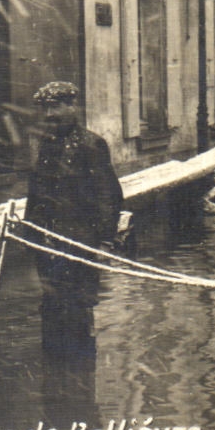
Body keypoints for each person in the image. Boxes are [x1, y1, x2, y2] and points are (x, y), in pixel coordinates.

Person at [25, 81, 127, 359]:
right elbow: (36, 193)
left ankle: (80, 373)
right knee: (51, 307)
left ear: (73, 106)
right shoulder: (46, 145)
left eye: (56, 107)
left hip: (81, 241)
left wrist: (104, 241)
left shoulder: (91, 145)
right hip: (48, 245)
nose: (49, 115)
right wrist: (29, 233)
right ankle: (56, 377)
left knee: (78, 309)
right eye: (45, 108)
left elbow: (109, 196)